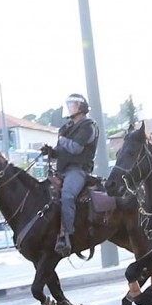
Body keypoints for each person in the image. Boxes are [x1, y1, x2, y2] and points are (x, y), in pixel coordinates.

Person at [41, 93, 100, 256]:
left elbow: (76, 148)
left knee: (67, 196)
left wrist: (62, 139)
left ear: (81, 107)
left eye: (72, 104)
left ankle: (66, 235)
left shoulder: (89, 126)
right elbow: (61, 151)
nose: (69, 107)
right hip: (62, 170)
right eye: (69, 104)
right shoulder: (66, 127)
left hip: (78, 170)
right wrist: (51, 152)